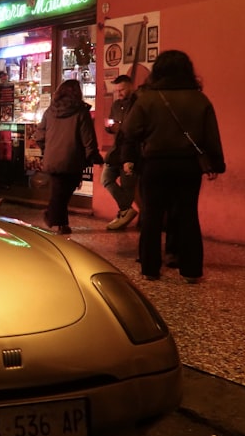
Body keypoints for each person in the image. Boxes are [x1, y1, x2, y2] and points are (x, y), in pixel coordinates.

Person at [121, 50, 225, 283]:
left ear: (158, 71)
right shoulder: (200, 100)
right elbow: (211, 136)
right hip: (188, 166)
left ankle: (150, 268)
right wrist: (216, 163)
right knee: (188, 215)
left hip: (155, 165)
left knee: (152, 216)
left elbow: (129, 130)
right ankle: (191, 271)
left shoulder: (147, 98)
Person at [33, 78, 103, 234]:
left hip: (52, 159)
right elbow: (88, 138)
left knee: (60, 191)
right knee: (62, 192)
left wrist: (48, 150)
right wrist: (93, 155)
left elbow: (39, 136)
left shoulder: (50, 111)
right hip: (72, 160)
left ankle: (60, 222)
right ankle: (54, 218)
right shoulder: (81, 112)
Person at [102, 74, 140, 230]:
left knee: (127, 186)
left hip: (132, 152)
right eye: (117, 90)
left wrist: (121, 127)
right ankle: (126, 210)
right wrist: (109, 127)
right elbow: (112, 122)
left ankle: (124, 213)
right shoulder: (116, 105)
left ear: (130, 86)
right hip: (116, 151)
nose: (119, 93)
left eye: (122, 89)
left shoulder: (139, 103)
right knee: (105, 179)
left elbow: (136, 129)